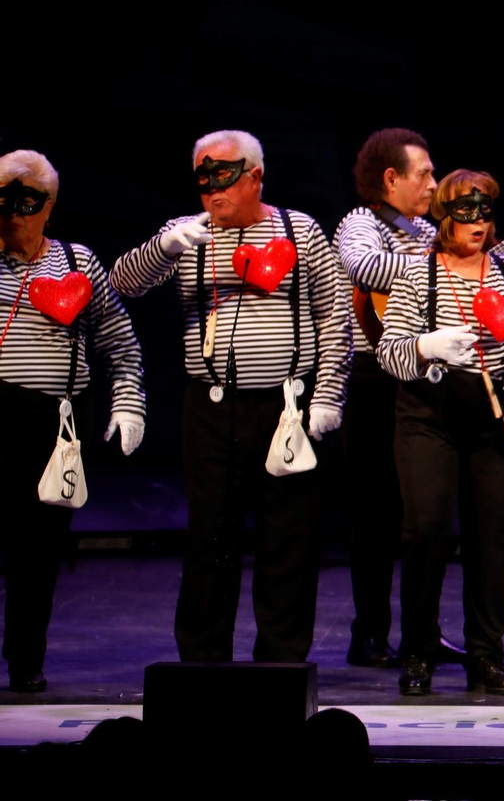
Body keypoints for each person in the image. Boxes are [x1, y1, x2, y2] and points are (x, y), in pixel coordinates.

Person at [110, 130, 352, 663]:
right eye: (203, 178)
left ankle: (282, 662)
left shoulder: (300, 231)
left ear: (255, 176)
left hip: (286, 408)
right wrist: (164, 248)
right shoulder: (187, 233)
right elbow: (122, 283)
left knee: (287, 539)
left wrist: (327, 396)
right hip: (212, 409)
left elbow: (336, 316)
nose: (212, 188)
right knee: (210, 537)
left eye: (223, 175)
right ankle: (202, 662)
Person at [376, 169, 504, 696]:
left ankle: (486, 653)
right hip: (428, 418)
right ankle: (418, 648)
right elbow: (389, 352)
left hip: (491, 419)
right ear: (445, 217)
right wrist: (426, 346)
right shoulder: (418, 274)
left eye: (485, 211)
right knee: (426, 530)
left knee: (491, 537)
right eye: (466, 211)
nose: (478, 222)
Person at [0, 150, 145, 692]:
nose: (12, 214)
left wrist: (128, 404)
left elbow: (120, 343)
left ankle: (25, 661)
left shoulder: (76, 262)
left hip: (50, 422)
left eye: (25, 203)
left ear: (48, 206)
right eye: (2, 201)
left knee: (37, 550)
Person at [333, 128, 468, 669]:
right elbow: (364, 268)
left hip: (422, 375)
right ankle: (368, 633)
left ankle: (423, 632)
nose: (434, 184)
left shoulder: (428, 232)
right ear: (391, 179)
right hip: (374, 380)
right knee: (375, 514)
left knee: (426, 515)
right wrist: (440, 268)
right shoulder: (361, 223)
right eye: (425, 174)